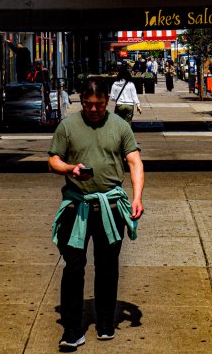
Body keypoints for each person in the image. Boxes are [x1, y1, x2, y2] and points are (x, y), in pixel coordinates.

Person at [48, 78, 144, 348]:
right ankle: (71, 329)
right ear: (82, 101)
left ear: (106, 101)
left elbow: (135, 162)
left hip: (110, 208)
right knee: (74, 267)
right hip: (76, 207)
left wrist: (136, 198)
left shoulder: (120, 126)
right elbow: (53, 160)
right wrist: (69, 169)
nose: (94, 110)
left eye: (99, 105)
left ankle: (105, 321)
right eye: (89, 105)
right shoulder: (68, 126)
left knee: (107, 265)